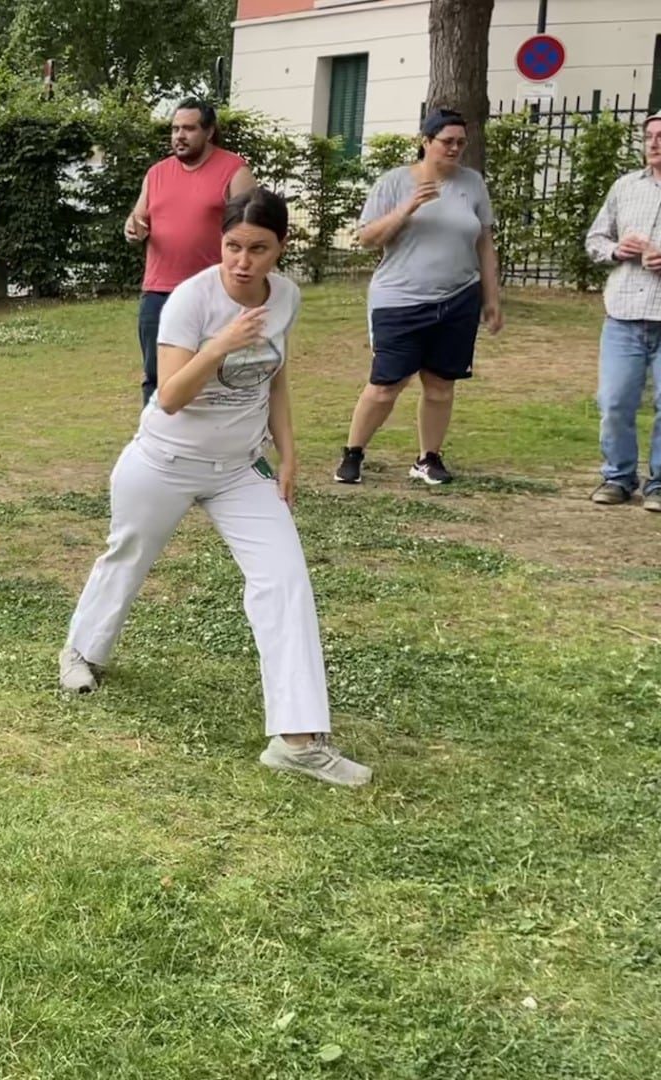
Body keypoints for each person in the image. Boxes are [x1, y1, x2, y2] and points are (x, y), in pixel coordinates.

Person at [58, 189, 370, 788]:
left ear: (281, 248)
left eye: (258, 248)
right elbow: (170, 396)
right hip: (164, 458)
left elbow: (275, 378)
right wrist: (221, 344)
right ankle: (81, 652)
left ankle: (298, 740)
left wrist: (288, 452)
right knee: (127, 556)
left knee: (284, 580)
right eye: (233, 247)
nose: (243, 261)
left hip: (238, 469)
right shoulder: (189, 301)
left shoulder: (286, 298)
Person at [336, 108, 503, 487]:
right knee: (385, 385)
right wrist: (407, 208)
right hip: (400, 299)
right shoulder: (395, 182)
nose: (455, 148)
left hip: (460, 297)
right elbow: (366, 239)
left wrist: (491, 298)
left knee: (442, 384)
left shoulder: (472, 184)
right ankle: (353, 453)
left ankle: (428, 458)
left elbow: (485, 243)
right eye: (447, 141)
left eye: (461, 142)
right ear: (426, 141)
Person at [126, 99, 256, 405]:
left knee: (216, 375)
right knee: (157, 377)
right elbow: (138, 219)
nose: (179, 136)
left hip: (214, 293)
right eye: (174, 129)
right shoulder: (156, 173)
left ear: (209, 131)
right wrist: (134, 229)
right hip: (158, 293)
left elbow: (253, 230)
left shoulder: (234, 170)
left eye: (188, 128)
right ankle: (156, 446)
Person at [582, 112, 661, 511]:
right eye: (649, 136)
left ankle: (660, 484)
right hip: (624, 314)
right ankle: (617, 477)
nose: (654, 143)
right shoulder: (625, 187)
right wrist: (615, 250)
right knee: (614, 401)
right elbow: (596, 238)